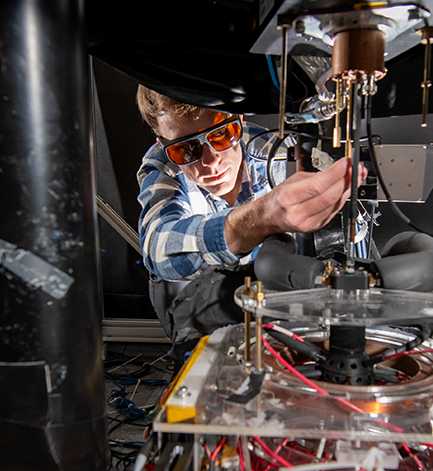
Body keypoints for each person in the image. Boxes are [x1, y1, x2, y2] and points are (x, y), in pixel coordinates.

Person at [135, 85, 362, 346]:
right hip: (201, 301)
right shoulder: (163, 167)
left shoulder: (278, 151)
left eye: (221, 135)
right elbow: (157, 249)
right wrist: (260, 218)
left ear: (239, 120)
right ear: (163, 146)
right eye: (186, 149)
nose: (211, 161)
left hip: (276, 296)